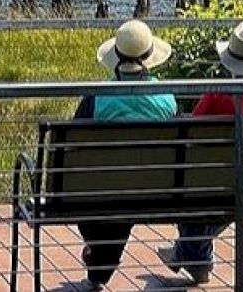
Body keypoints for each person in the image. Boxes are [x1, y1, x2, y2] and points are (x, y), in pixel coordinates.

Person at [159, 21, 243, 284]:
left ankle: (192, 255)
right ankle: (190, 254)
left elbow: (190, 134)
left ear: (230, 59)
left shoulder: (219, 93)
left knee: (193, 190)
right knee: (217, 189)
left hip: (223, 186)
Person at [75, 20, 177, 289]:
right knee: (126, 195)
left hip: (101, 190)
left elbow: (72, 149)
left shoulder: (96, 99)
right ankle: (100, 266)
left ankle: (99, 264)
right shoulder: (166, 98)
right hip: (155, 191)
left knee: (104, 193)